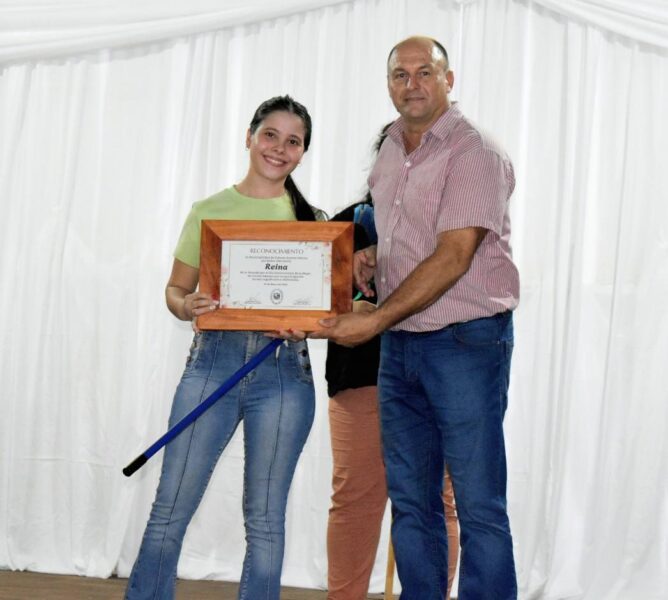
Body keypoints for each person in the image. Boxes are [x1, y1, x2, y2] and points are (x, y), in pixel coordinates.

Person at [312, 37, 519, 599]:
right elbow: (411, 235)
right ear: (388, 85)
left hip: (465, 343)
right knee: (411, 502)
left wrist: (375, 320)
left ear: (449, 80)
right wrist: (374, 254)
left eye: (425, 72)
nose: (412, 84)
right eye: (400, 75)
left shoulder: (474, 152)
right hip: (403, 345)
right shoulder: (389, 149)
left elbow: (454, 256)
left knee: (478, 504)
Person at [125, 95, 322, 600]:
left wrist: (306, 326)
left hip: (283, 373)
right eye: (270, 135)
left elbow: (327, 315)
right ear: (249, 137)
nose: (279, 148)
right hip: (212, 364)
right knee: (170, 507)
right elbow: (175, 291)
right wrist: (186, 305)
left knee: (266, 519)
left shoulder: (313, 221)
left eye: (293, 141)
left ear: (302, 153)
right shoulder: (208, 210)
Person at [325, 127, 460, 600]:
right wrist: (348, 293)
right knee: (354, 501)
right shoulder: (346, 225)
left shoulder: (453, 227)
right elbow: (310, 301)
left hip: (434, 379)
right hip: (360, 379)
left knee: (435, 502)